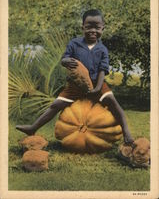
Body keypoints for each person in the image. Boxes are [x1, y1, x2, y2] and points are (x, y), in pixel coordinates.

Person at [16, 9, 134, 144]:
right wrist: (65, 61)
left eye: (97, 27)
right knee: (56, 105)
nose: (93, 30)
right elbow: (65, 58)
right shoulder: (74, 43)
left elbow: (103, 70)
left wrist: (98, 88)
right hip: (75, 85)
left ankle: (126, 132)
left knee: (113, 103)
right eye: (89, 27)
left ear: (103, 28)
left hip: (97, 84)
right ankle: (33, 127)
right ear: (82, 27)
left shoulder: (103, 50)